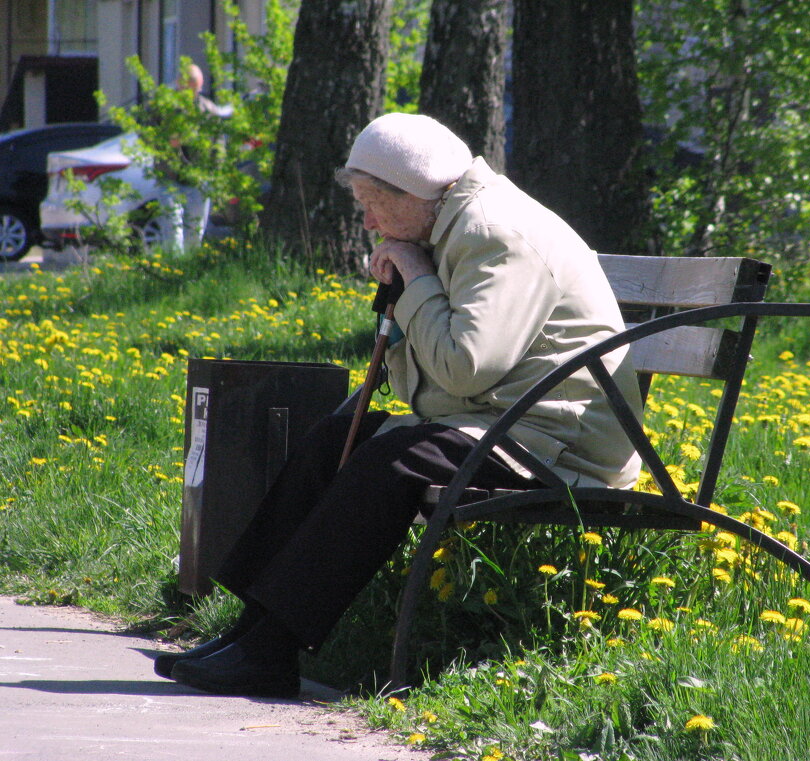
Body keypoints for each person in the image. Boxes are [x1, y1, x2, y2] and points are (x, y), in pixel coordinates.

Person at [154, 113, 644, 698]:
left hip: (556, 443)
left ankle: (271, 647)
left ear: (415, 195)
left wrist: (415, 278)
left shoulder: (496, 234)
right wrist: (414, 281)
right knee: (331, 442)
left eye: (372, 204)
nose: (367, 222)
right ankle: (251, 633)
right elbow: (451, 376)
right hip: (499, 419)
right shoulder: (449, 223)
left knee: (393, 462)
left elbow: (466, 367)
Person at [157, 63, 226, 252]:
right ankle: (172, 268)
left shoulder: (209, 111)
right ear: (179, 83)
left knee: (195, 231)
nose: (190, 91)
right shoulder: (163, 108)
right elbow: (146, 135)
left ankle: (189, 271)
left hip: (199, 179)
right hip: (170, 177)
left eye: (195, 87)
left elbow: (218, 145)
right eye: (187, 85)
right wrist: (165, 143)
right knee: (172, 230)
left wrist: (214, 171)